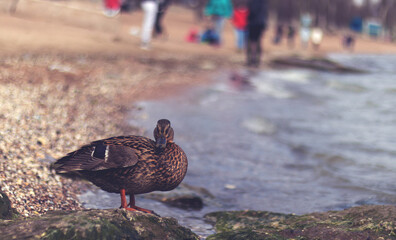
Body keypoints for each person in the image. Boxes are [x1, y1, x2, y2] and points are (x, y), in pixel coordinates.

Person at [246, 0, 268, 67]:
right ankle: (257, 59)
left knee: (252, 41)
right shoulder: (264, 2)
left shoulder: (254, 2)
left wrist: (248, 19)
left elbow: (253, 11)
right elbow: (265, 14)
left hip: (254, 23)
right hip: (261, 23)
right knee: (258, 41)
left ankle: (253, 59)